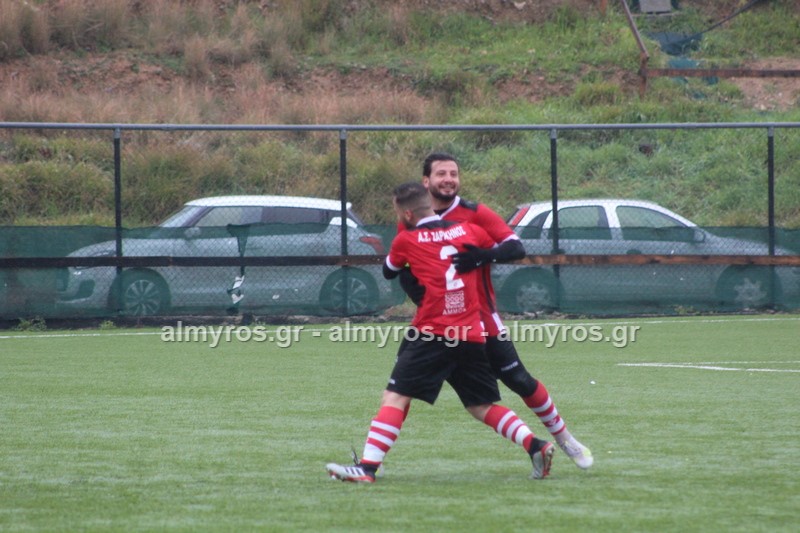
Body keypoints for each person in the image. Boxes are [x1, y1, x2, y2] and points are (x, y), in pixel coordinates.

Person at [326, 182, 555, 483]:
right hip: (472, 333)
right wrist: (480, 256)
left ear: (407, 214)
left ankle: (367, 468)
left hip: (433, 333)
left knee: (395, 397)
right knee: (480, 406)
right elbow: (507, 248)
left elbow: (389, 270)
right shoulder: (468, 230)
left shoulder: (406, 239)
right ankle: (535, 445)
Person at [398, 152, 593, 470]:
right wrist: (420, 295)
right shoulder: (411, 216)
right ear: (426, 181)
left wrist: (481, 256)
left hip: (480, 318)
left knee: (518, 379)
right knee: (400, 387)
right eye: (441, 174)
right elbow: (401, 264)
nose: (448, 179)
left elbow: (516, 247)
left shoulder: (475, 213)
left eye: (453, 174)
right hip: (433, 323)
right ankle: (372, 460)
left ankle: (564, 438)